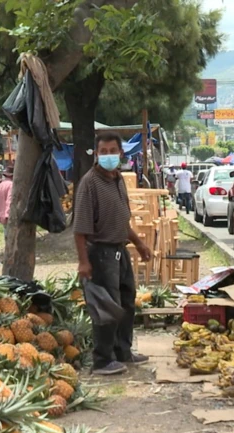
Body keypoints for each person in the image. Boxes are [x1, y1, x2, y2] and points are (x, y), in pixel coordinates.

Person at [73, 131, 153, 376]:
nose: (108, 156)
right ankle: (102, 360)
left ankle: (122, 351)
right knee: (106, 307)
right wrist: (83, 262)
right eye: (103, 152)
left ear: (121, 153)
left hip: (119, 250)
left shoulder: (118, 179)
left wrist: (139, 244)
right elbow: (80, 229)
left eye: (112, 151)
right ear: (96, 155)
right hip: (99, 253)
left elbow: (121, 220)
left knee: (127, 301)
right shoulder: (89, 183)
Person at [0, 166, 14, 232]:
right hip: (9, 215)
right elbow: (10, 200)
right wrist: (7, 214)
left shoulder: (0, 185)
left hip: (2, 215)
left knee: (6, 234)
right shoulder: (11, 185)